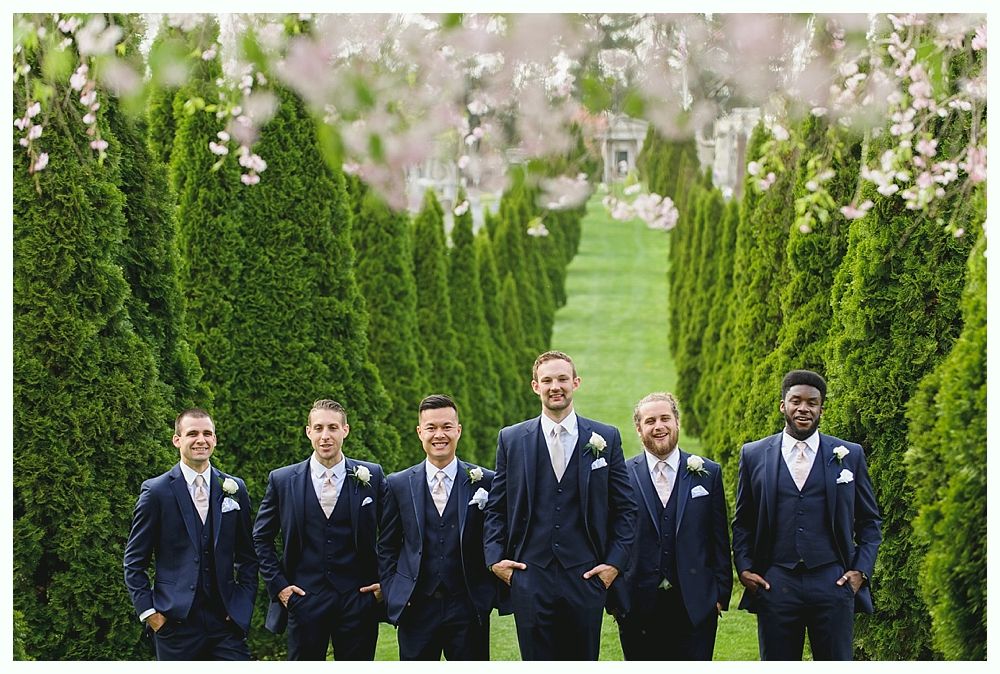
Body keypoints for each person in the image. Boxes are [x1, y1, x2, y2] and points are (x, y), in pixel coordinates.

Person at [484, 350, 636, 660]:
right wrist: (496, 561)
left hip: (586, 577)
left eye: (562, 379)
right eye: (547, 380)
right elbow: (496, 507)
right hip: (530, 577)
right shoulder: (511, 439)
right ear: (535, 386)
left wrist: (613, 565)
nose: (555, 387)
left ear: (576, 383)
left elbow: (625, 509)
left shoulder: (606, 437)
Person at [732, 369, 882, 660]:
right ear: (783, 406)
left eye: (812, 403)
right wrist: (745, 568)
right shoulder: (753, 454)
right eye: (796, 401)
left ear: (821, 409)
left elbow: (869, 520)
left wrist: (860, 572)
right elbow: (743, 521)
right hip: (776, 582)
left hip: (832, 581)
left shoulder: (849, 454)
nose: (803, 408)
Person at [252, 399, 386, 660]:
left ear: (345, 430)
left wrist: (384, 583)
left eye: (333, 428)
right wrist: (280, 587)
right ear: (308, 432)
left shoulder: (372, 475)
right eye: (319, 428)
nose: (325, 436)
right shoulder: (282, 480)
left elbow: (392, 534)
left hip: (358, 600)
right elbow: (261, 538)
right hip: (304, 600)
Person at [123, 408, 257, 660]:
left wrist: (242, 604)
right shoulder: (156, 492)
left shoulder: (234, 488)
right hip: (175, 625)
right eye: (192, 433)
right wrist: (151, 614)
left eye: (207, 433)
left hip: (225, 624)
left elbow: (247, 556)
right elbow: (134, 561)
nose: (201, 440)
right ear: (177, 440)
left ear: (215, 439)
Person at [607, 392, 732, 660]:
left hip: (696, 605)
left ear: (677, 422)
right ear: (638, 429)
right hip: (636, 605)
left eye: (665, 418)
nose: (659, 426)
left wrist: (720, 595)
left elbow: (718, 538)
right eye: (650, 421)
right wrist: (616, 599)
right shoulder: (621, 476)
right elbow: (610, 536)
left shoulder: (708, 473)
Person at [378, 394, 498, 660]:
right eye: (431, 427)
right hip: (416, 606)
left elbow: (496, 536)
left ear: (459, 430)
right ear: (420, 432)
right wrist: (393, 590)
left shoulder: (485, 481)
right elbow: (387, 546)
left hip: (468, 606)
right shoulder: (398, 484)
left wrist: (487, 592)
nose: (439, 435)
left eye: (446, 426)